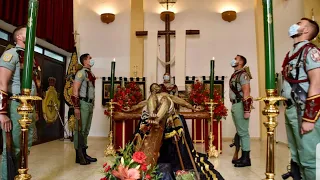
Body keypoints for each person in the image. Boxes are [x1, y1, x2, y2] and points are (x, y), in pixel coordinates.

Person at [125, 83, 224, 179]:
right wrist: (130, 109)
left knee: (165, 100)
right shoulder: (151, 98)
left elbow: (181, 102)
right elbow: (139, 105)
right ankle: (153, 116)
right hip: (152, 113)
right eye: (153, 87)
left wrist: (192, 107)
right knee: (152, 99)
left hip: (165, 114)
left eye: (156, 86)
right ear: (151, 90)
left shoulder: (166, 95)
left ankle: (156, 119)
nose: (155, 88)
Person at [281, 17, 320, 180]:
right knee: (296, 156)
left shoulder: (311, 51)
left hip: (304, 110)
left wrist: (309, 118)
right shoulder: (292, 53)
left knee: (309, 158)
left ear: (306, 30)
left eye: (298, 24)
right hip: (291, 109)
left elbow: (317, 84)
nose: (294, 25)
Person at [0, 26, 39, 180]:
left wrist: (35, 111)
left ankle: (18, 176)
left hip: (28, 107)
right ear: (19, 38)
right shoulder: (11, 54)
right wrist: (2, 113)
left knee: (25, 148)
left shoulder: (30, 58)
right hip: (15, 106)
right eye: (29, 33)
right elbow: (1, 84)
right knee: (12, 148)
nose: (33, 36)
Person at [72, 53, 97, 165]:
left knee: (86, 130)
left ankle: (84, 153)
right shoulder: (81, 73)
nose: (91, 60)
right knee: (80, 130)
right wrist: (76, 107)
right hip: (82, 104)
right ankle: (79, 155)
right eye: (89, 58)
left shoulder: (90, 73)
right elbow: (75, 90)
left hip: (90, 104)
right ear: (85, 61)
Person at [229, 54, 253, 167]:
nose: (233, 60)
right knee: (240, 132)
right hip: (235, 105)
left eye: (236, 58)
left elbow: (246, 92)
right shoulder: (235, 75)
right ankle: (243, 157)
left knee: (243, 133)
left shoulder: (243, 75)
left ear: (241, 62)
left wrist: (247, 110)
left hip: (240, 105)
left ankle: (246, 158)